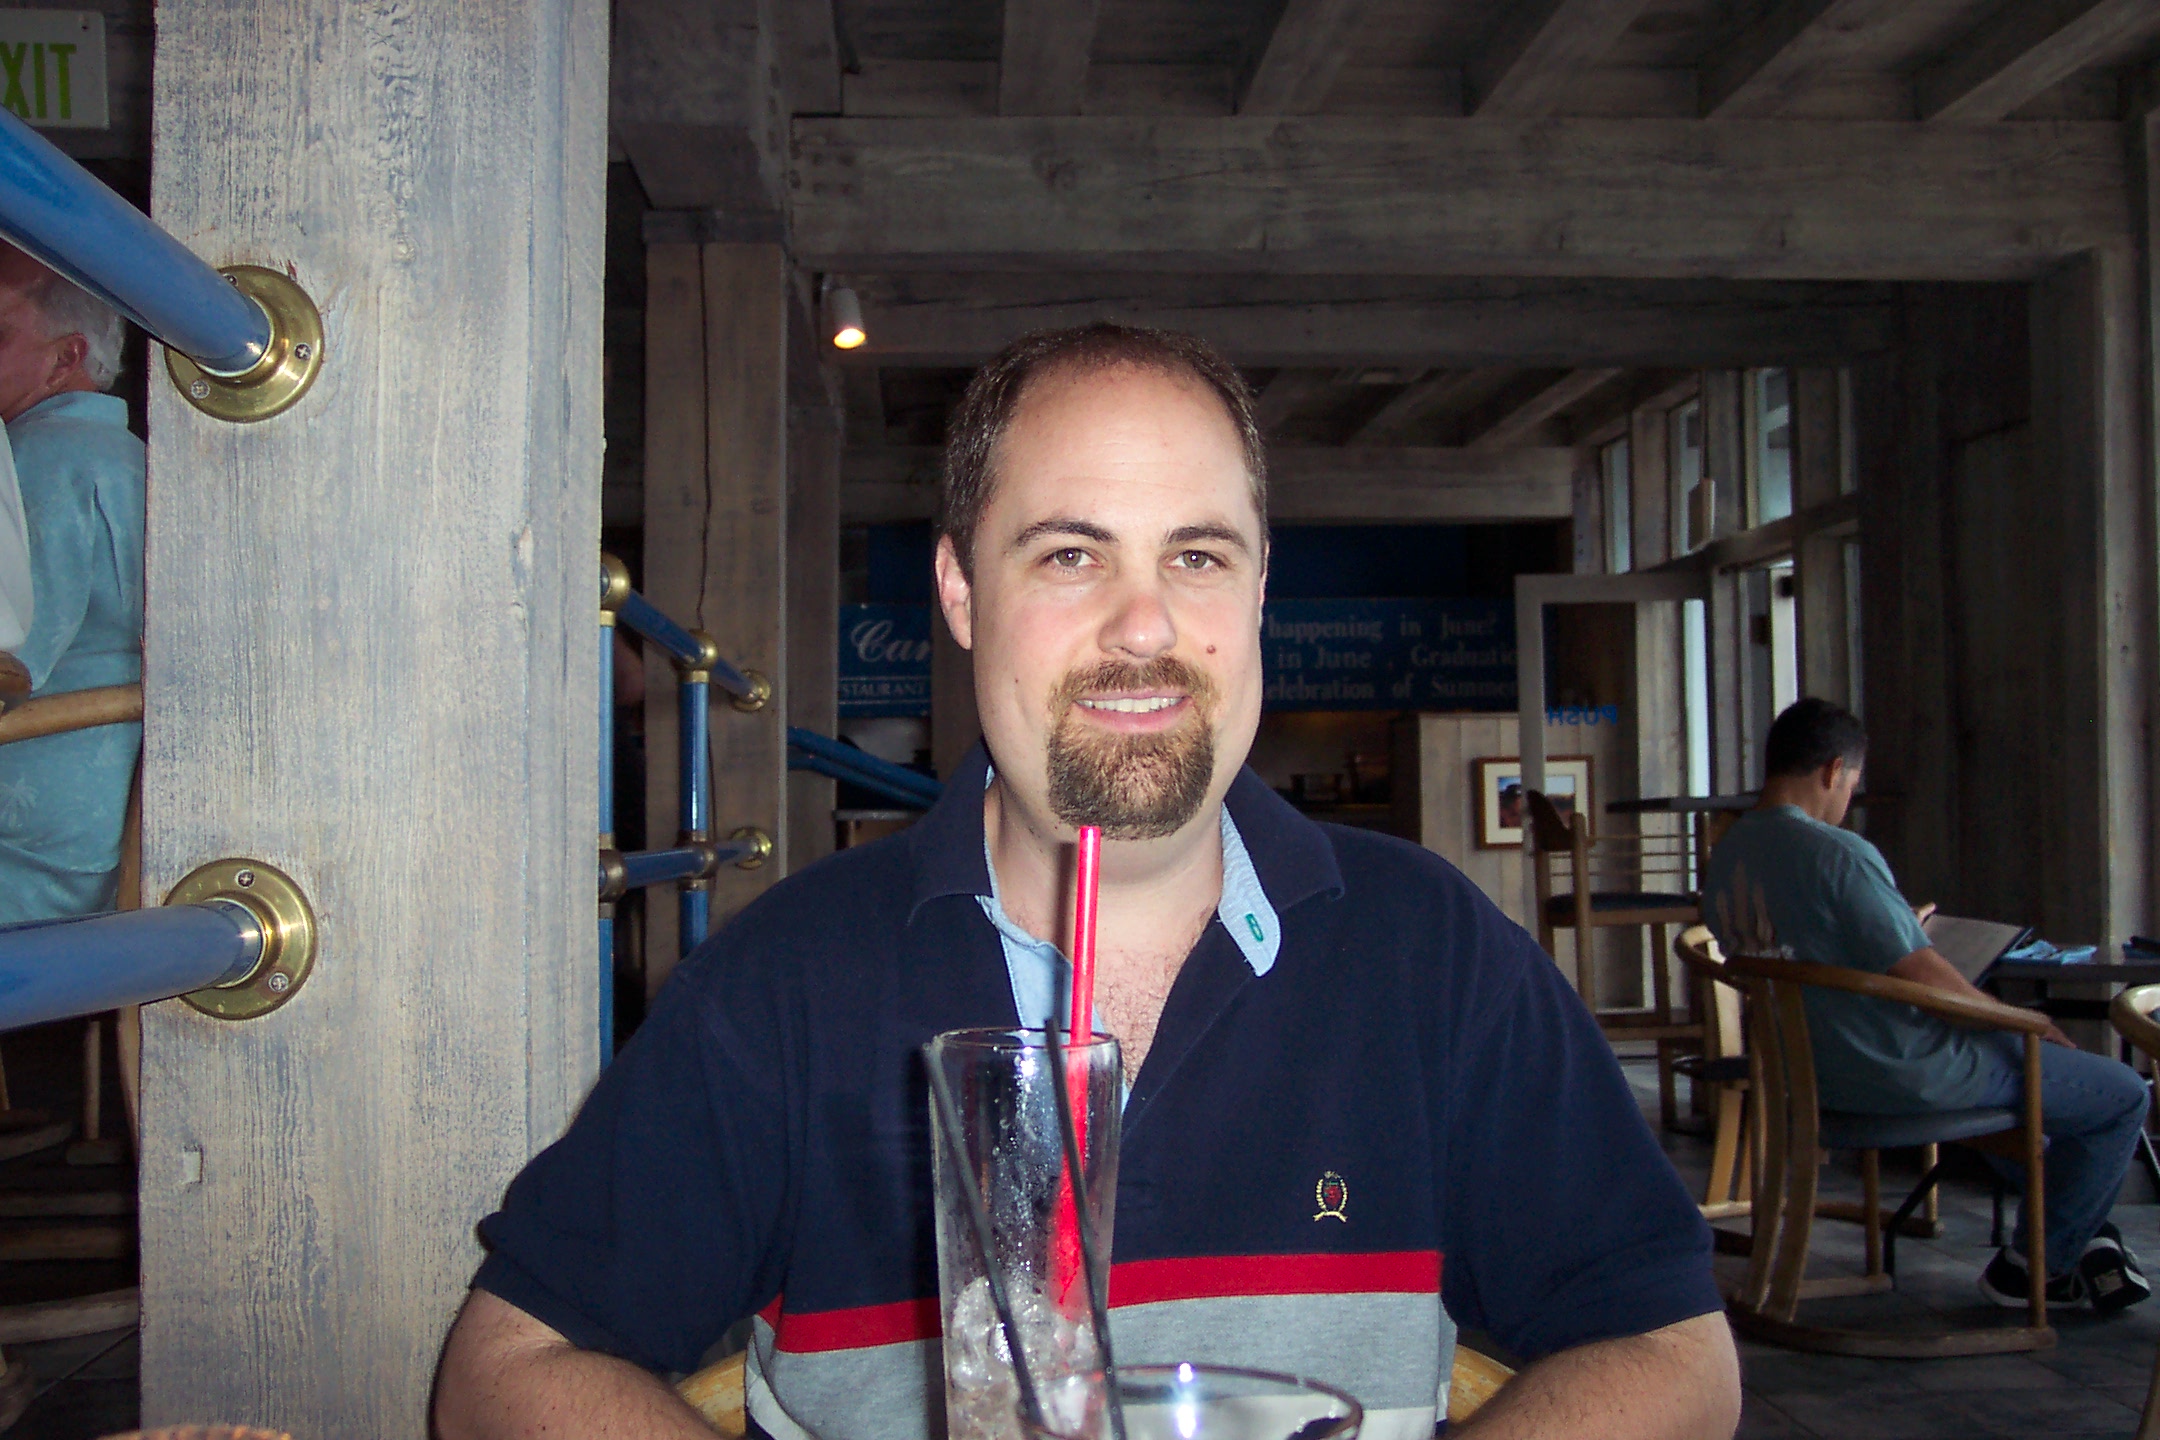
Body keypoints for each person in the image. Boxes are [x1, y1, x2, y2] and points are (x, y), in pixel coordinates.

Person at [435, 324, 1740, 1440]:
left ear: (1260, 587)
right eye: (1071, 554)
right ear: (960, 589)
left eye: (1198, 555)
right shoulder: (788, 980)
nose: (1146, 623)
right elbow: (507, 1370)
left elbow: (1676, 1356)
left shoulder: (1433, 951)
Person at [1706, 697, 2151, 1314]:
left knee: (2040, 1113)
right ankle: (2033, 1270)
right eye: (1852, 783)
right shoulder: (1838, 853)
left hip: (1805, 1076)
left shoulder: (1728, 856)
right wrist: (2027, 1022)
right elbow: (1926, 979)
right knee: (2121, 1095)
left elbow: (1805, 948)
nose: (1847, 799)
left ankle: (2082, 1238)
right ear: (1834, 770)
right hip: (1899, 1069)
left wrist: (1899, 929)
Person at [0, 244, 141, 923]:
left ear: (66, 359)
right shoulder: (136, 459)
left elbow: (7, 665)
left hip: (28, 857)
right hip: (108, 845)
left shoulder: (35, 458)